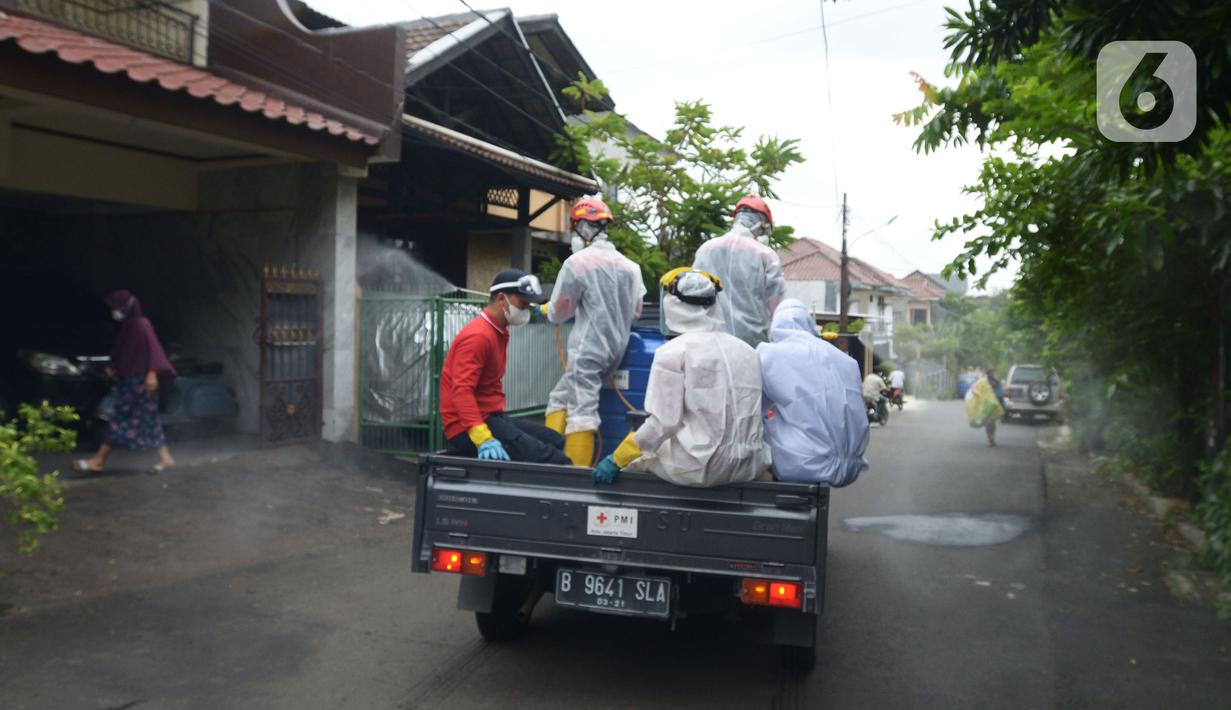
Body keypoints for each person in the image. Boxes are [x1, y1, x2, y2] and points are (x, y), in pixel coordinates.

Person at [591, 268, 768, 487]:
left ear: (673, 305)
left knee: (633, 464)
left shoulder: (673, 352)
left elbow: (663, 423)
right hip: (748, 464)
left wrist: (618, 458)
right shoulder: (747, 350)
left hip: (698, 467)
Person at [540, 196, 646, 466]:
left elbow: (560, 311)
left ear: (583, 227)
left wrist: (547, 309)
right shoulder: (631, 267)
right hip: (616, 350)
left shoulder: (578, 263)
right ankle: (550, 457)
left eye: (576, 228)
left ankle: (574, 476)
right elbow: (636, 311)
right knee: (559, 398)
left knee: (581, 413)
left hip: (587, 351)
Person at [441, 269, 570, 465]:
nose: (527, 310)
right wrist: (482, 437)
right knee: (554, 460)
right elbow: (461, 391)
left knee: (556, 441)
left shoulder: (498, 332)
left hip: (491, 416)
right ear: (502, 299)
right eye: (523, 303)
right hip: (465, 427)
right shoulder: (478, 336)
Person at [757, 300, 869, 485]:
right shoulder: (845, 360)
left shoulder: (768, 354)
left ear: (775, 326)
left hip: (801, 463)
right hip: (851, 464)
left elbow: (753, 407)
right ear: (809, 324)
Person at [74, 290, 176, 473]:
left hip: (140, 381)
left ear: (126, 307)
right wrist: (114, 365)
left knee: (120, 418)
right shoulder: (128, 327)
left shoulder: (141, 325)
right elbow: (124, 351)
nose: (113, 311)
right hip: (131, 380)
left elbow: (153, 349)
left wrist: (152, 373)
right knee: (149, 419)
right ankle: (166, 458)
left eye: (116, 307)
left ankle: (98, 460)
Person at [692, 194, 786, 347]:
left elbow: (692, 295)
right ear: (761, 226)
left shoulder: (705, 249)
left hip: (710, 343)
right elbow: (778, 306)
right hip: (753, 344)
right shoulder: (766, 255)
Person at [983, 367, 1006, 446]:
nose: (992, 373)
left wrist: (1002, 405)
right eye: (991, 372)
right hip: (989, 404)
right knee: (990, 423)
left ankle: (991, 439)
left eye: (992, 372)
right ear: (988, 372)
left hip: (992, 404)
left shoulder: (994, 381)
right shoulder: (985, 381)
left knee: (991, 423)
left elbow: (1000, 394)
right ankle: (991, 439)